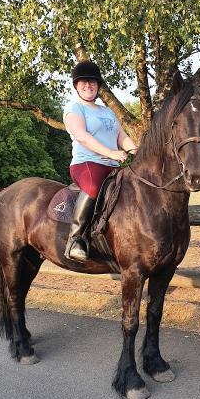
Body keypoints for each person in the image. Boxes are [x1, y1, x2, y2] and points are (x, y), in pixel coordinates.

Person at [63, 61, 137, 262]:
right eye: (83, 82)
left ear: (98, 85)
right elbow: (82, 136)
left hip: (112, 165)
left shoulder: (107, 111)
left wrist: (135, 150)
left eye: (92, 82)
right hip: (87, 163)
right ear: (76, 85)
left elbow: (121, 136)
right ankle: (75, 239)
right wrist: (112, 153)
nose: (88, 85)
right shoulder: (74, 108)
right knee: (94, 186)